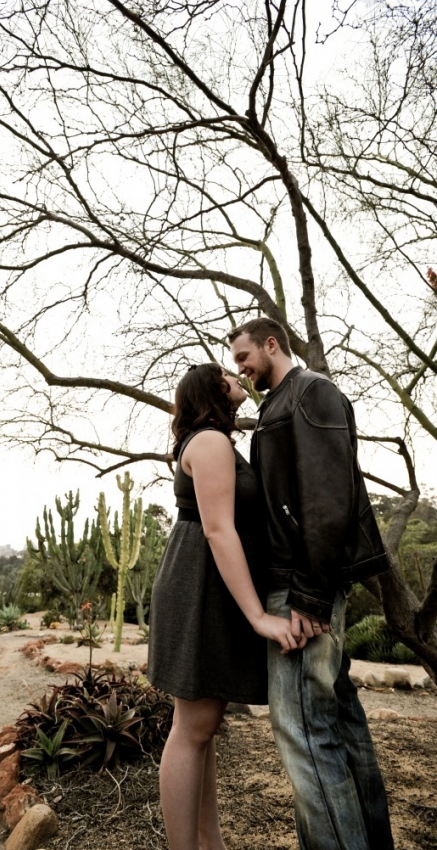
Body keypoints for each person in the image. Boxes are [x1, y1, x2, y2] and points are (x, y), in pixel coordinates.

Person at [229, 316, 394, 850]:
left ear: (271, 344)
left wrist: (310, 595)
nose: (241, 369)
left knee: (303, 733)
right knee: (338, 726)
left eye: (243, 357)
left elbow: (327, 503)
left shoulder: (312, 393)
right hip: (302, 582)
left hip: (302, 588)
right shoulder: (280, 403)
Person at [147, 362, 300, 850]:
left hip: (203, 585)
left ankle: (209, 843)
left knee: (200, 726)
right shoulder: (211, 442)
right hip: (199, 588)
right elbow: (218, 529)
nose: (240, 377)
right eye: (229, 374)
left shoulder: (213, 439)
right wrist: (258, 615)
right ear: (215, 389)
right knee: (193, 728)